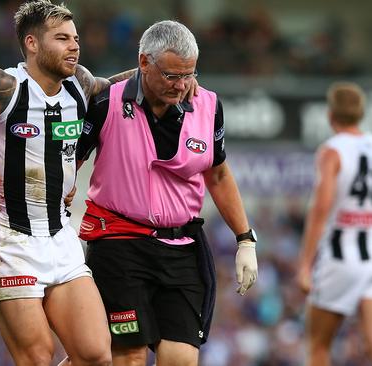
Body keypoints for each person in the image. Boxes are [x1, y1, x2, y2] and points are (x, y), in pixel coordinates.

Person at [0, 2, 152, 365]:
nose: (74, 46)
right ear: (32, 43)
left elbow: (111, 86)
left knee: (97, 355)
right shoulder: (2, 86)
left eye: (75, 38)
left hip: (61, 234)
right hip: (11, 238)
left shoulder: (79, 83)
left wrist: (157, 69)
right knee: (37, 357)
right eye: (62, 38)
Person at [70, 20, 258, 366]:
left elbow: (217, 173)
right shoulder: (105, 103)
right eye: (172, 75)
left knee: (182, 358)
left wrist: (244, 239)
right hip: (118, 243)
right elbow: (70, 161)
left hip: (181, 249)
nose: (182, 85)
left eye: (189, 74)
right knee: (129, 355)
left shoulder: (209, 106)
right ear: (144, 62)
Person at [297, 82, 372, 365]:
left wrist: (306, 265)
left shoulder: (331, 150)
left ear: (331, 115)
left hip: (340, 258)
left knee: (318, 346)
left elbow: (322, 208)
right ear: (360, 113)